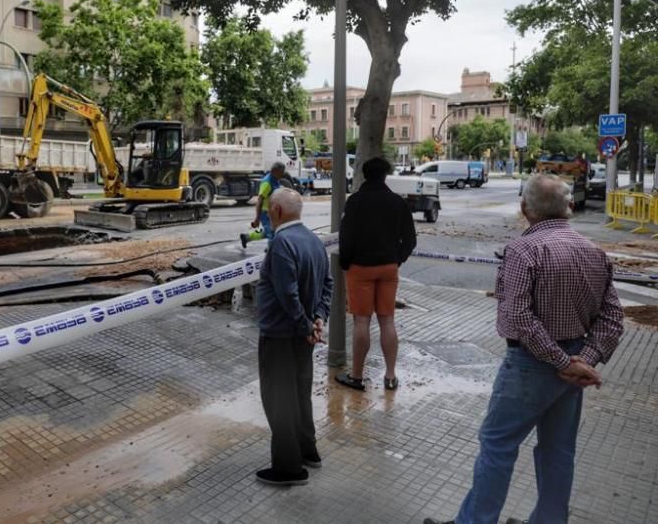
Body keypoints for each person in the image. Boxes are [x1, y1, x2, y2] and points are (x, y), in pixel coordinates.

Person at [424, 174, 624, 524]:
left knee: (498, 445)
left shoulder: (523, 249)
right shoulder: (594, 252)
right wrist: (583, 360)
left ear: (524, 210)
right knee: (558, 451)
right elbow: (612, 319)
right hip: (572, 368)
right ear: (570, 208)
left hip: (531, 364)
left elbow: (517, 316)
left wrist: (563, 361)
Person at [254, 188, 332, 486]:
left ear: (276, 212)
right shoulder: (313, 240)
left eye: (267, 210)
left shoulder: (282, 243)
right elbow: (328, 283)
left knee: (279, 398)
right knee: (299, 394)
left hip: (281, 335)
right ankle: (307, 451)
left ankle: (288, 468)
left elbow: (288, 295)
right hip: (302, 336)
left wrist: (305, 325)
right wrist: (318, 320)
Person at [335, 157, 416, 391]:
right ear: (385, 176)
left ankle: (357, 376)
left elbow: (346, 237)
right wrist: (397, 259)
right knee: (387, 320)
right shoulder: (397, 202)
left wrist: (346, 263)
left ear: (365, 175)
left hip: (360, 268)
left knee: (361, 321)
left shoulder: (356, 202)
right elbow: (410, 239)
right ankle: (390, 376)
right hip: (389, 267)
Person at [241, 161, 287, 248]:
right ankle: (271, 254)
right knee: (272, 235)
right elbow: (259, 201)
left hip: (273, 212)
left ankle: (246, 237)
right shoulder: (267, 183)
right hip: (266, 213)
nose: (283, 174)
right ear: (275, 171)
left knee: (269, 232)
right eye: (282, 172)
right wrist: (257, 218)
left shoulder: (275, 180)